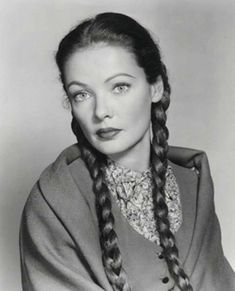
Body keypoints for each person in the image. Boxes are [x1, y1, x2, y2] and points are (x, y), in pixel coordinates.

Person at [19, 12, 235, 291]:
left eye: (119, 87)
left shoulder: (193, 186)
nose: (101, 112)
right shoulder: (54, 201)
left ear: (155, 87)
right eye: (81, 94)